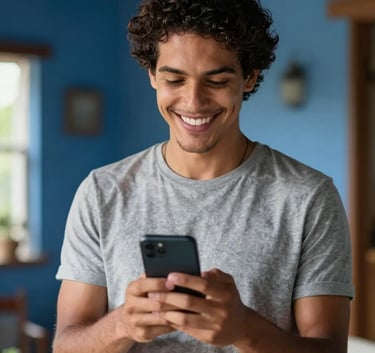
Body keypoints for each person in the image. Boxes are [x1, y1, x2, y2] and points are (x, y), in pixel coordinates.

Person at [53, 0, 354, 352]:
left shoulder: (308, 197)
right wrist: (122, 324)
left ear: (250, 76)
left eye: (217, 80)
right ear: (152, 75)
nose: (193, 101)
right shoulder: (102, 192)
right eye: (175, 79)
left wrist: (245, 330)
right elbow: (65, 346)